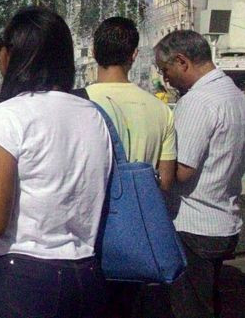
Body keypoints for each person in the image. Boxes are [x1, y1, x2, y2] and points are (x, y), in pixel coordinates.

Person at [0, 7, 113, 318]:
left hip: (19, 281)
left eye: (0, 46)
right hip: (85, 275)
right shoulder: (95, 115)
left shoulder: (7, 117)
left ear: (13, 54)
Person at [84, 17, 177, 317]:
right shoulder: (161, 110)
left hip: (88, 238)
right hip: (134, 241)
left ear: (94, 52)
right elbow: (165, 180)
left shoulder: (78, 103)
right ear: (135, 55)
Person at [154, 30, 245, 318]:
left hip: (194, 226)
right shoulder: (235, 95)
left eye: (166, 70)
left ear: (182, 61)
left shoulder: (197, 101)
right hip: (225, 220)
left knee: (190, 309)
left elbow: (181, 170)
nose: (165, 79)